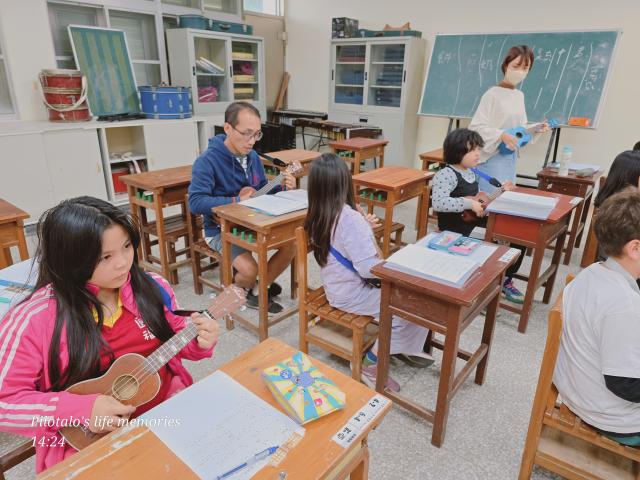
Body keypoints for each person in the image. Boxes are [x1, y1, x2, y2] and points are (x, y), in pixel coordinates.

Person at [0, 196, 219, 472]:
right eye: (106, 257)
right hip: (87, 442)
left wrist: (199, 342)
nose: (123, 263)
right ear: (71, 260)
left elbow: (175, 336)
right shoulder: (34, 320)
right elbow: (4, 404)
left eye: (127, 246)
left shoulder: (153, 287)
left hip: (166, 413)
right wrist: (79, 410)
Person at [304, 153, 432, 391]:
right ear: (345, 182)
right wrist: (394, 266)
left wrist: (364, 229)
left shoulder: (317, 214)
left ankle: (403, 345)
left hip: (338, 287)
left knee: (412, 298)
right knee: (415, 304)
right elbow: (367, 268)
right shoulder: (350, 218)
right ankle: (370, 365)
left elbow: (344, 245)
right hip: (353, 292)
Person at [189, 101, 296, 313]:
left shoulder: (253, 157)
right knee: (249, 269)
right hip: (221, 230)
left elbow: (260, 191)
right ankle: (246, 288)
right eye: (246, 133)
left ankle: (258, 288)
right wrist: (236, 201)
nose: (252, 141)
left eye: (257, 134)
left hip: (252, 222)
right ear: (228, 128)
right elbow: (195, 202)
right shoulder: (207, 161)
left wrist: (281, 185)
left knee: (291, 244)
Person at [554, 188, 640, 447]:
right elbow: (624, 385)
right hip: (611, 416)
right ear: (635, 248)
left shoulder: (592, 272)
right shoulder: (624, 305)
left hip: (577, 390)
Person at [469, 45, 549, 303]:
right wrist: (500, 134)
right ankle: (480, 280)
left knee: (507, 218)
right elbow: (476, 127)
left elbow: (519, 129)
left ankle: (504, 277)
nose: (520, 71)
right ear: (506, 65)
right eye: (516, 66)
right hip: (491, 160)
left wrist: (534, 129)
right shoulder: (491, 94)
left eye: (526, 68)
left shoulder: (519, 96)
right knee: (489, 219)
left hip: (509, 160)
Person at [431, 128, 524, 285]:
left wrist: (501, 191)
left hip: (472, 222)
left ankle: (504, 278)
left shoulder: (472, 172)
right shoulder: (446, 174)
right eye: (472, 150)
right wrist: (469, 203)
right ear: (456, 151)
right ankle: (488, 280)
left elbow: (479, 199)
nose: (477, 154)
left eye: (479, 149)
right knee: (502, 237)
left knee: (517, 234)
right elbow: (438, 203)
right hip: (456, 228)